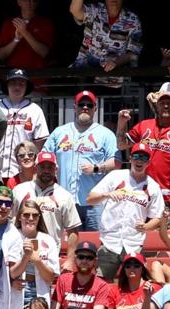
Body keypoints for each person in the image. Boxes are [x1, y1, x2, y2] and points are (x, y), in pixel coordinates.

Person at [42, 91, 117, 232]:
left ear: (95, 108)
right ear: (75, 107)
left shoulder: (106, 134)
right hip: (64, 201)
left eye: (89, 105)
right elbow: (44, 157)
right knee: (66, 245)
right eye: (81, 104)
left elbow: (116, 162)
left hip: (94, 203)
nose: (85, 108)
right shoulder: (60, 132)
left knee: (94, 246)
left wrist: (97, 168)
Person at [86, 145, 164, 280]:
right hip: (109, 242)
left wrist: (146, 227)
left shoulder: (153, 186)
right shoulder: (116, 176)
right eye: (136, 157)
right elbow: (90, 199)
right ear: (130, 158)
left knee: (134, 285)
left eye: (144, 158)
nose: (139, 161)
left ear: (148, 162)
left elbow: (157, 217)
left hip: (133, 244)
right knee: (102, 283)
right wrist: (107, 195)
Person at [117, 92, 170, 206]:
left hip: (166, 194)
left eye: (169, 103)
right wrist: (122, 122)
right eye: (162, 103)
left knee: (163, 223)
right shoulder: (143, 125)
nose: (166, 106)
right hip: (139, 192)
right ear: (156, 106)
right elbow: (121, 145)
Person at [69, 0, 142, 82]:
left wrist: (116, 63)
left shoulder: (133, 20)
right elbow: (75, 10)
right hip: (83, 74)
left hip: (113, 80)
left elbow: (133, 53)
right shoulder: (95, 10)